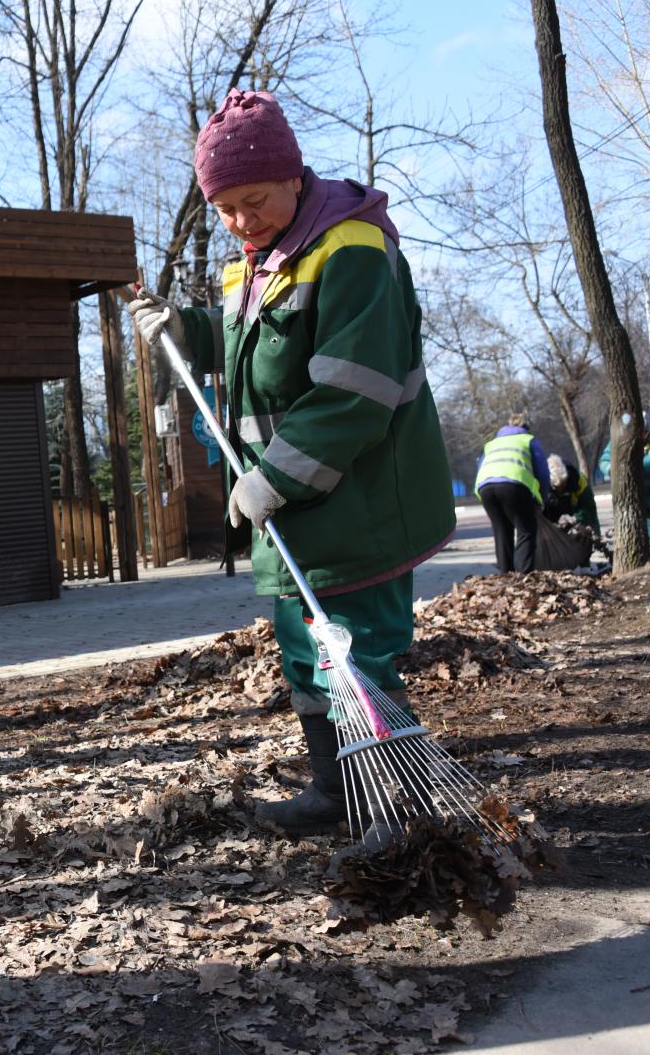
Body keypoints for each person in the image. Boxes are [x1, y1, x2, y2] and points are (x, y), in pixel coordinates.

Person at [126, 89, 455, 835]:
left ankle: (392, 804)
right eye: (225, 209)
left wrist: (272, 477)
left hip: (362, 499)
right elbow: (259, 351)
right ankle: (337, 792)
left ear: (293, 175)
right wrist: (186, 328)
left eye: (253, 200)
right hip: (292, 507)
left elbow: (353, 390)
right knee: (306, 658)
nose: (240, 221)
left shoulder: (351, 249)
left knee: (353, 652)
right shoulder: (254, 262)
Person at [474, 414, 553, 574]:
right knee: (526, 530)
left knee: (501, 531)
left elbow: (480, 466)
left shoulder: (491, 444)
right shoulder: (528, 440)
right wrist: (543, 498)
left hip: (486, 487)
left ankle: (506, 576)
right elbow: (542, 472)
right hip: (514, 485)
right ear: (525, 428)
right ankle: (523, 577)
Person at [597, 415, 650, 556]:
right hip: (629, 500)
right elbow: (604, 461)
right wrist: (613, 470)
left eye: (644, 432)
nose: (641, 436)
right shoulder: (619, 441)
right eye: (638, 432)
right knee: (632, 534)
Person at [543, 454, 600, 536]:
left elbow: (589, 508)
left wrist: (576, 518)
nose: (560, 490)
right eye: (556, 487)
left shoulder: (579, 481)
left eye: (563, 485)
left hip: (576, 520)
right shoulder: (542, 483)